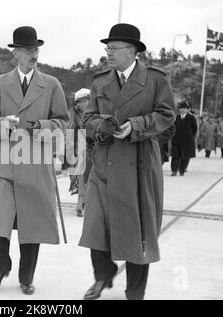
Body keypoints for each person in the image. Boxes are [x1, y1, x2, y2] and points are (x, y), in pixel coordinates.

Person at [79, 23, 175, 300]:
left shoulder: (156, 80)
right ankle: (103, 274)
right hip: (104, 161)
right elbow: (87, 119)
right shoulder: (100, 81)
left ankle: (135, 290)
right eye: (107, 48)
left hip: (139, 162)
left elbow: (166, 115)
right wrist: (103, 126)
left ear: (132, 51)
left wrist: (136, 125)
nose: (108, 52)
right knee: (95, 225)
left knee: (139, 230)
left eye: (114, 48)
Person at [0, 26, 69, 295]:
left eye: (36, 49)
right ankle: (2, 265)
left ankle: (26, 277)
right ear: (15, 53)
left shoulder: (51, 84)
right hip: (5, 162)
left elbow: (63, 122)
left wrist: (38, 125)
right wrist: (1, 124)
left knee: (32, 223)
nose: (34, 54)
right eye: (28, 50)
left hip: (35, 163)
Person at [67, 88, 90, 217]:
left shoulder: (96, 111)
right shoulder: (74, 116)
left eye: (87, 100)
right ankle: (80, 203)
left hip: (93, 146)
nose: (84, 104)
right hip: (80, 146)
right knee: (81, 176)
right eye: (81, 101)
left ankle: (83, 202)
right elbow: (70, 135)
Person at [170, 101, 198, 176]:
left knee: (185, 157)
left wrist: (191, 137)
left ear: (187, 109)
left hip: (187, 141)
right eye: (181, 108)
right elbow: (172, 128)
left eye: (184, 108)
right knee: (175, 156)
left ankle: (182, 171)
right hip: (177, 140)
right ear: (179, 110)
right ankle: (174, 170)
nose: (182, 110)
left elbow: (194, 129)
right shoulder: (176, 117)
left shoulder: (191, 118)